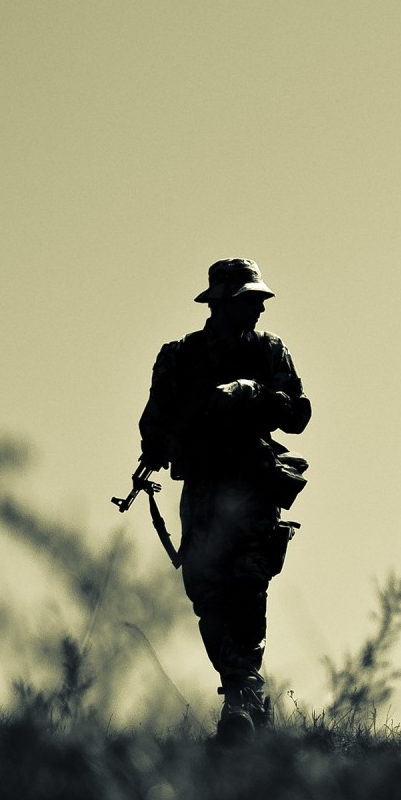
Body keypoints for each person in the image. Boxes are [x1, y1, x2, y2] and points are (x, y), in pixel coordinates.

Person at [139, 257, 312, 739]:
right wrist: (164, 442)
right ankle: (243, 691)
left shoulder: (269, 351)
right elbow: (153, 423)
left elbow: (298, 415)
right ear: (220, 303)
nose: (259, 309)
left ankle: (241, 695)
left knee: (248, 585)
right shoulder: (179, 357)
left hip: (254, 486)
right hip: (203, 491)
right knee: (206, 591)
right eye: (249, 300)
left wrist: (252, 392)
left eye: (259, 300)